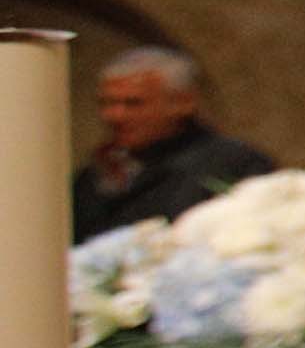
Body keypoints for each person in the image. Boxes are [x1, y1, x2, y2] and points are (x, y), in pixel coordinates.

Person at [72, 46, 277, 240]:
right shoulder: (95, 175)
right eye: (106, 103)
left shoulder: (236, 164)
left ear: (183, 103)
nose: (114, 116)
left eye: (133, 103)